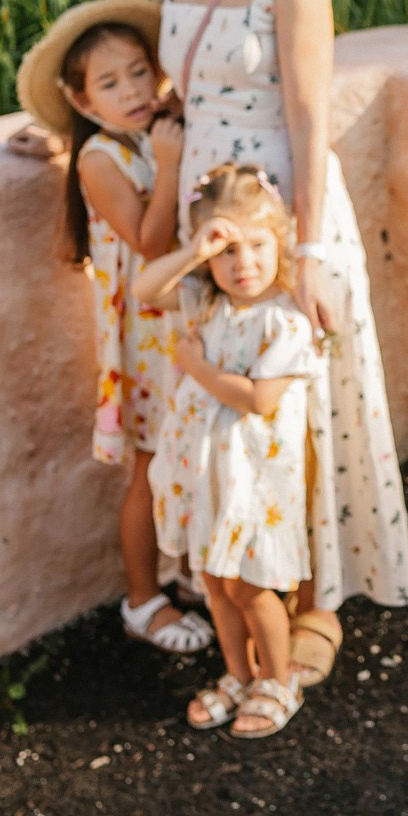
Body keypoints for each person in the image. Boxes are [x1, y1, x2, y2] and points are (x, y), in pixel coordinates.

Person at [10, 0, 408, 681]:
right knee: (219, 411)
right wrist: (70, 134)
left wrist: (307, 254)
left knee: (292, 405)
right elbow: (173, 91)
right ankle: (236, 574)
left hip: (279, 220)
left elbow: (311, 120)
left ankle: (312, 605)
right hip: (203, 225)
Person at [13, 0, 215, 655]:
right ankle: (141, 598)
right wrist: (170, 164)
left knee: (192, 456)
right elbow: (153, 243)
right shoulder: (102, 159)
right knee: (152, 465)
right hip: (146, 338)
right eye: (110, 83)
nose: (131, 91)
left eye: (139, 72)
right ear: (82, 97)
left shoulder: (151, 130)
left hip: (181, 328)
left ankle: (187, 575)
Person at [135, 163, 322, 738]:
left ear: (280, 242)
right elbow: (144, 290)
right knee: (213, 582)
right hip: (207, 475)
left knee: (251, 584)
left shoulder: (286, 321)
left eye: (257, 246)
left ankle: (279, 676)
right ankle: (238, 674)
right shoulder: (205, 300)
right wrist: (194, 251)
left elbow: (261, 400)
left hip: (257, 483)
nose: (243, 265)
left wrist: (196, 366)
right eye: (227, 252)